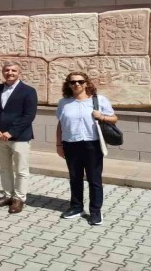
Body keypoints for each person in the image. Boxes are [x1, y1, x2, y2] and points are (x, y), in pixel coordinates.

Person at [55, 71, 117, 226]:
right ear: (68, 85)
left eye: (80, 81)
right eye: (73, 82)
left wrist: (101, 117)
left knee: (94, 179)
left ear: (86, 83)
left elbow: (114, 118)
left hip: (92, 144)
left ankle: (95, 211)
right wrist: (59, 144)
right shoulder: (64, 102)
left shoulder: (98, 100)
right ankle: (76, 207)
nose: (77, 84)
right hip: (71, 143)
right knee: (75, 178)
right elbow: (60, 124)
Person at [0, 61, 38, 214]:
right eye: (7, 70)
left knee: (21, 170)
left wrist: (11, 132)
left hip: (19, 138)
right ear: (3, 72)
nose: (10, 73)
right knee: (4, 168)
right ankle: (8, 195)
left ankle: (19, 199)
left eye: (13, 70)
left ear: (19, 72)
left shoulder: (28, 91)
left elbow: (29, 115)